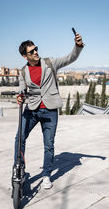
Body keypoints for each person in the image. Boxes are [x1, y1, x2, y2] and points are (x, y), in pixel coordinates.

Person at [14, 33, 84, 189]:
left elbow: (69, 58)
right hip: (31, 109)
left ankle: (46, 174)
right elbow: (21, 89)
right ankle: (19, 169)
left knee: (49, 144)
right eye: (31, 52)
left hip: (50, 109)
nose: (36, 52)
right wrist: (20, 96)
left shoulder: (50, 62)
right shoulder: (23, 71)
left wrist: (77, 46)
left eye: (36, 49)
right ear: (25, 56)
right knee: (19, 138)